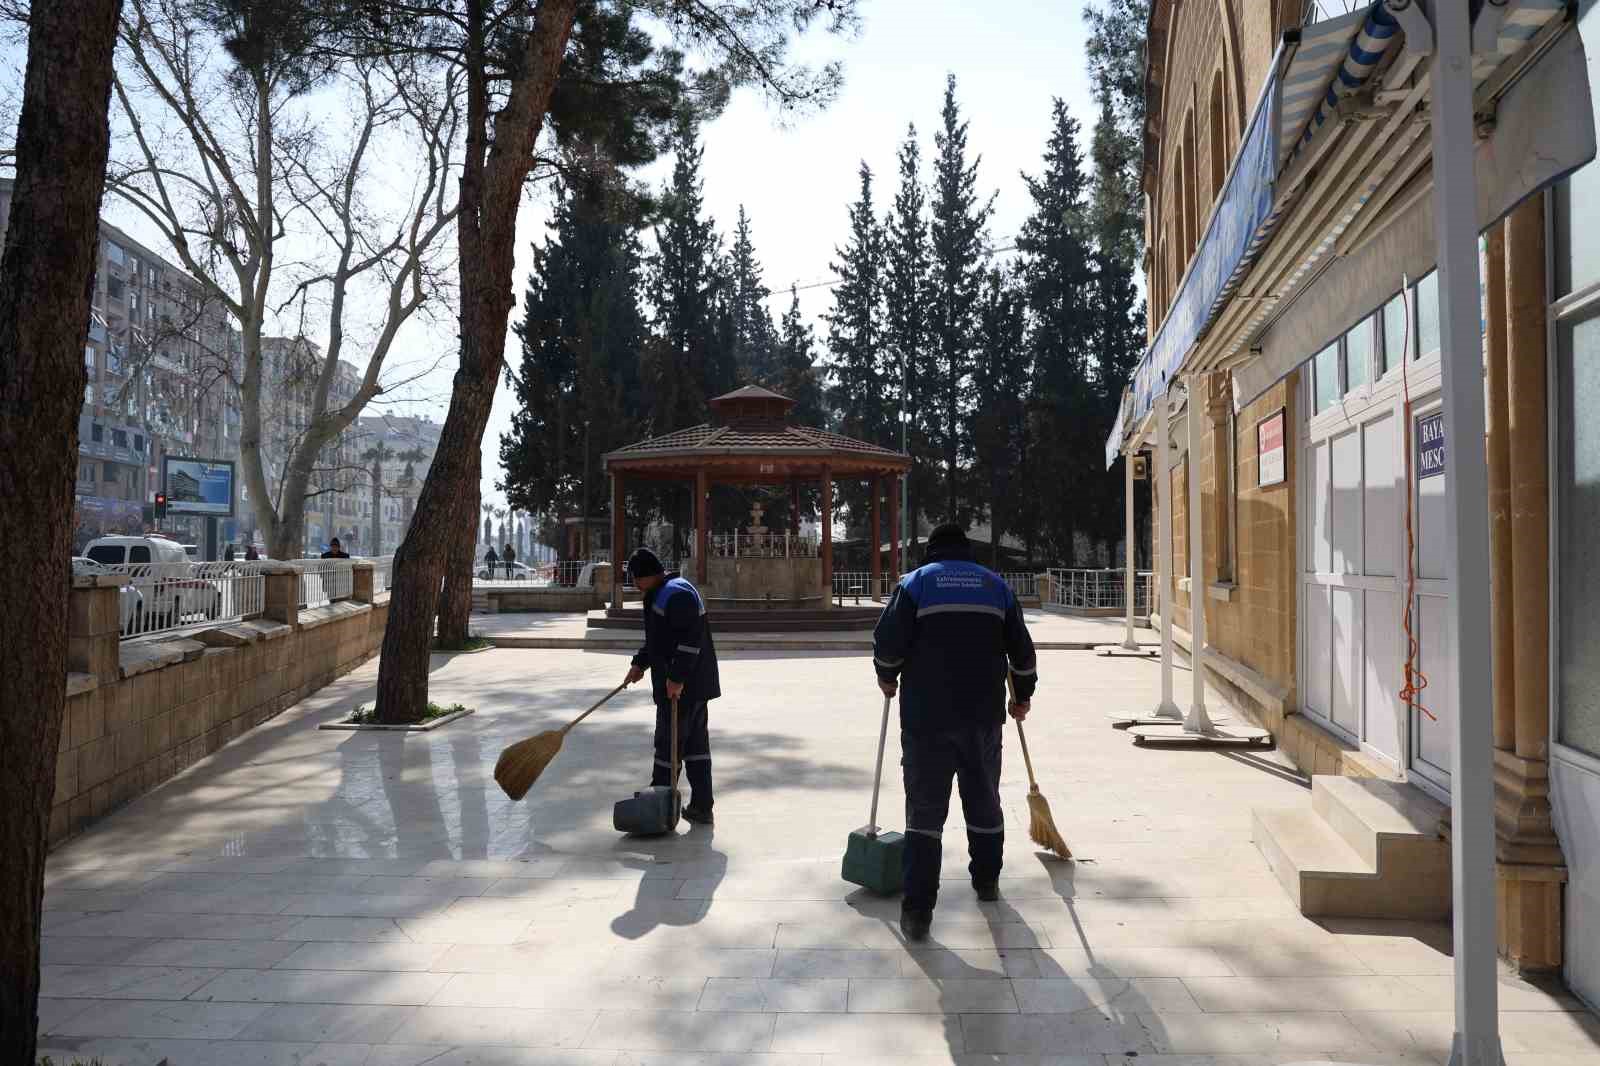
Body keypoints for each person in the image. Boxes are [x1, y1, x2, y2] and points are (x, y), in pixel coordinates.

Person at [871, 522, 1038, 942]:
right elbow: (1022, 652)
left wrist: (887, 675)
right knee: (983, 800)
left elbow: (888, 643)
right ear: (967, 551)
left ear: (931, 551)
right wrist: (1022, 695)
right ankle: (986, 881)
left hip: (927, 719)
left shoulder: (915, 584)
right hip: (982, 718)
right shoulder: (995, 586)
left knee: (925, 812)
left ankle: (918, 911)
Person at [622, 547, 719, 826]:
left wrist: (677, 678)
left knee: (669, 746)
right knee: (695, 747)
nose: (636, 586)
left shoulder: (675, 595)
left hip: (683, 687)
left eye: (636, 579)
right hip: (691, 685)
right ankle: (701, 807)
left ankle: (657, 810)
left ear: (647, 576)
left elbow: (690, 642)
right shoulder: (665, 592)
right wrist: (640, 664)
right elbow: (659, 640)